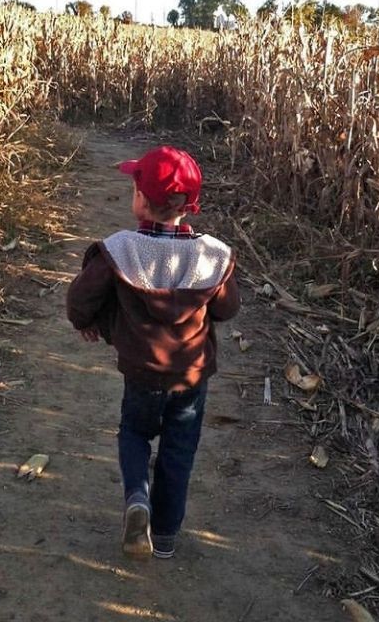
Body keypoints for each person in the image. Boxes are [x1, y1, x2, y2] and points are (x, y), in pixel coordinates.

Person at [66, 146, 240, 560]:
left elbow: (80, 300)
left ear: (141, 199)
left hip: (142, 371)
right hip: (191, 376)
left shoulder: (121, 250)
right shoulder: (211, 255)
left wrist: (86, 322)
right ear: (189, 204)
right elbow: (227, 308)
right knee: (179, 452)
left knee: (134, 432)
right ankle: (164, 539)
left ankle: (137, 498)